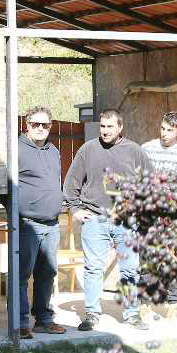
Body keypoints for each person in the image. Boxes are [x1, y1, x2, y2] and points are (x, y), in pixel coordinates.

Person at [62, 108, 152, 331]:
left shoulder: (134, 151)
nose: (105, 131)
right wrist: (75, 209)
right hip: (95, 219)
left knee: (130, 269)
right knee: (93, 268)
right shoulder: (88, 149)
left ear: (120, 127)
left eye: (110, 126)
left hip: (126, 220)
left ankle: (132, 313)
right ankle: (92, 313)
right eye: (102, 126)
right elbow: (71, 182)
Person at [12, 106, 67, 337]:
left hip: (52, 223)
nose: (40, 128)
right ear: (27, 125)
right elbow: (0, 183)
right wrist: (15, 209)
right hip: (27, 223)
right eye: (35, 124)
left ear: (51, 126)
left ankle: (44, 319)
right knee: (22, 274)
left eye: (45, 124)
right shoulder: (15, 148)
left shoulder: (53, 150)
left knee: (48, 272)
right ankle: (21, 323)